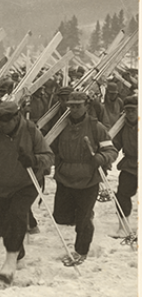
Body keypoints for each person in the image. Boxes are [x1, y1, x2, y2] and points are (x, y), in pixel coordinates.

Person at [0, 101, 54, 284]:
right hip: (1, 184)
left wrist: (33, 159)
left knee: (17, 215)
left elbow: (49, 157)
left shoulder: (30, 130)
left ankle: (10, 263)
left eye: (5, 122)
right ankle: (18, 254)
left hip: (26, 182)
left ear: (15, 118)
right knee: (6, 224)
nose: (1, 126)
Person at [51, 91, 118, 264]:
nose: (74, 109)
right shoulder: (61, 126)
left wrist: (101, 158)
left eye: (78, 106)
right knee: (61, 216)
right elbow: (50, 147)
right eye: (71, 106)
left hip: (88, 179)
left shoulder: (96, 127)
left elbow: (111, 150)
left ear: (86, 106)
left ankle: (81, 250)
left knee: (83, 219)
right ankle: (85, 217)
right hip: (65, 177)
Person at [112, 95, 137, 236]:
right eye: (127, 110)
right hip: (130, 164)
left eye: (133, 110)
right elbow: (116, 144)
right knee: (122, 194)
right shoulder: (122, 125)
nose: (130, 113)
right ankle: (123, 226)